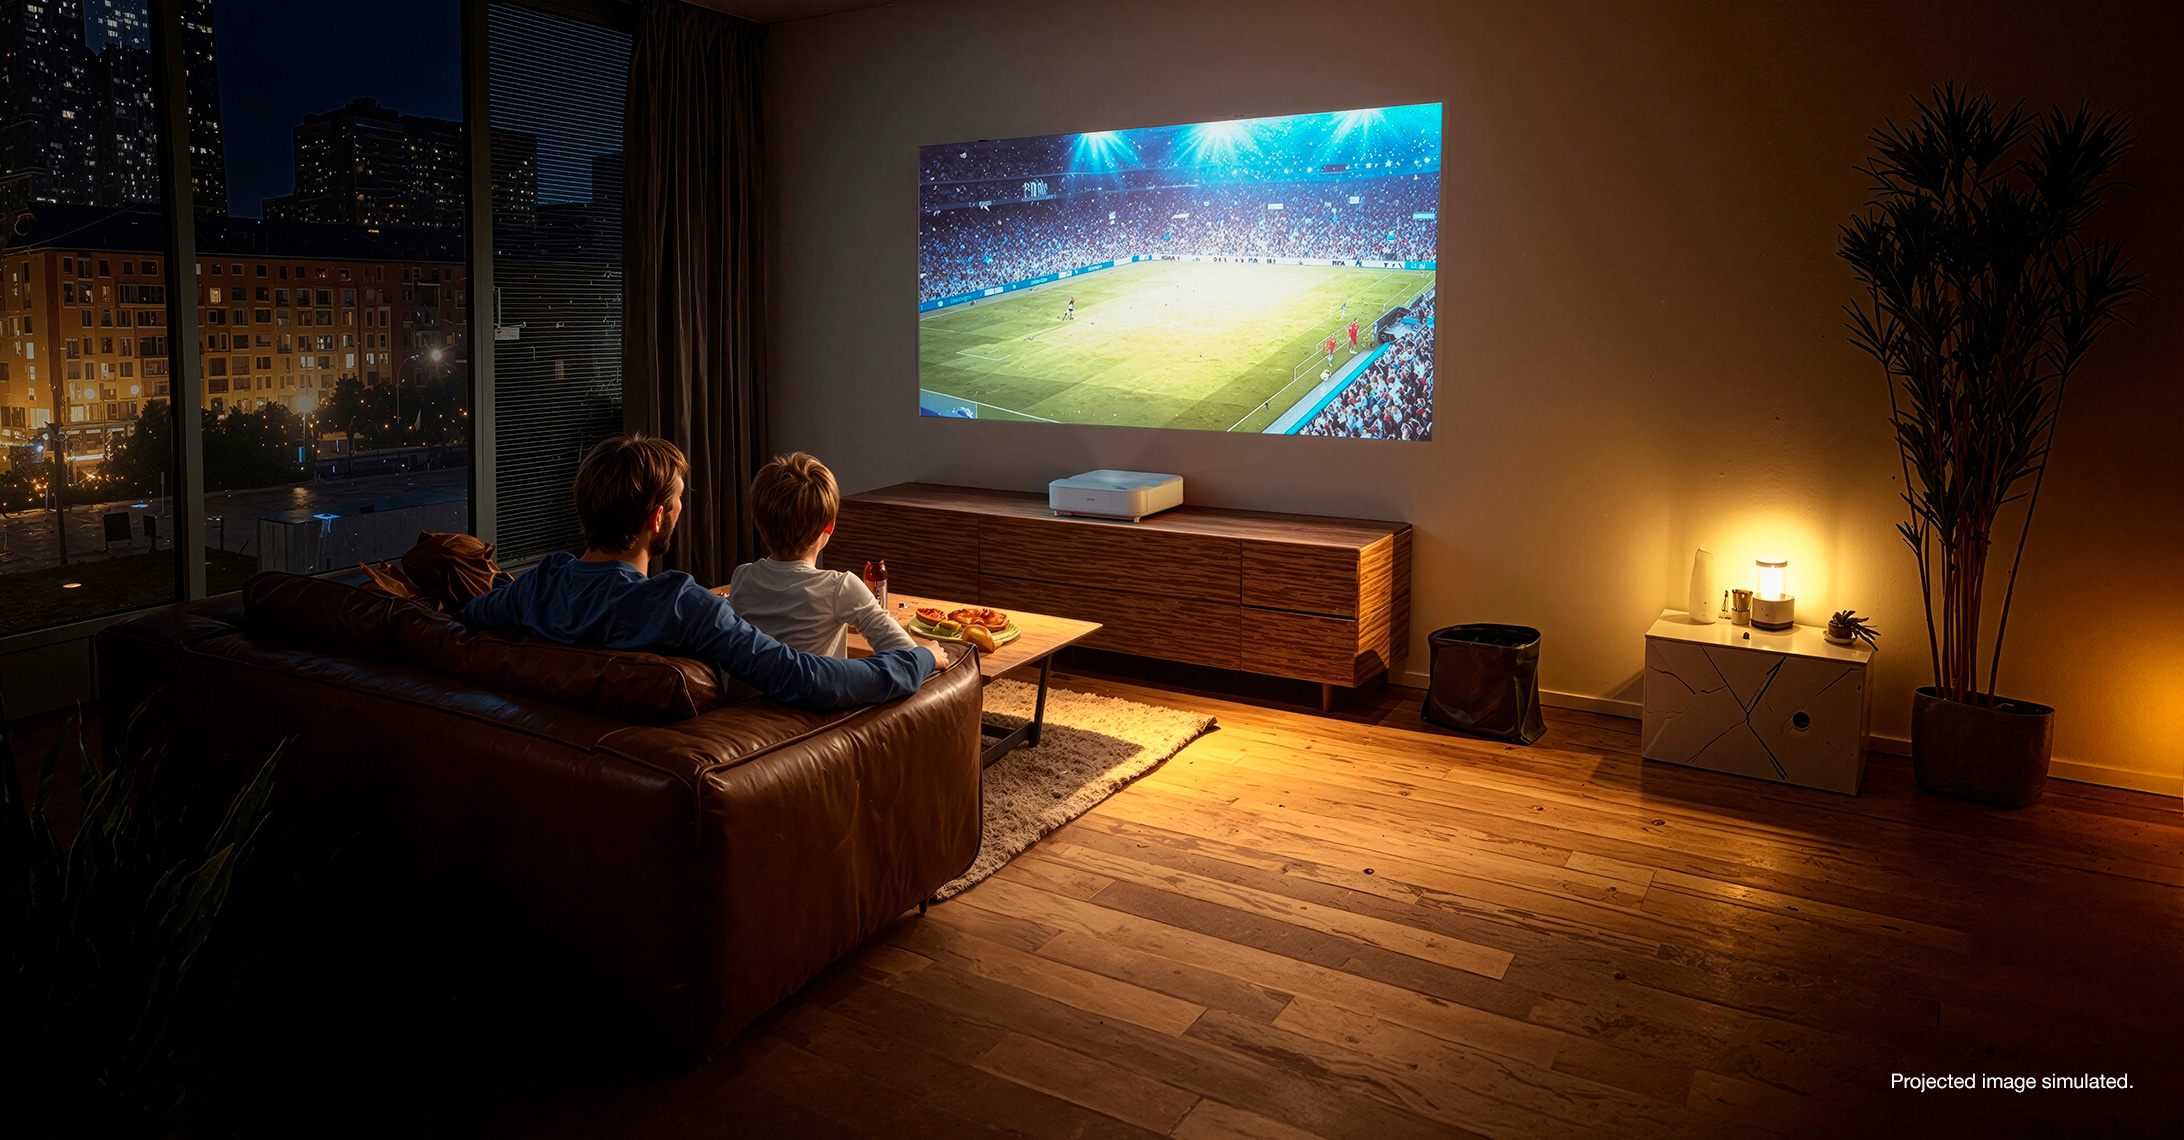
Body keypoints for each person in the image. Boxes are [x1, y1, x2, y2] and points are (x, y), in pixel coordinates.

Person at [463, 434, 946, 710]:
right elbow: (807, 679)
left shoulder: (540, 585)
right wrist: (919, 660)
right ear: (657, 519)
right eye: (677, 500)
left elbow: (471, 611)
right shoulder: (679, 605)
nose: (680, 507)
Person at [728, 452, 918, 658]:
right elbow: (908, 654)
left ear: (758, 521)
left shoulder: (742, 577)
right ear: (829, 526)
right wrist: (930, 654)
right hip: (811, 691)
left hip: (751, 691)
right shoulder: (840, 587)